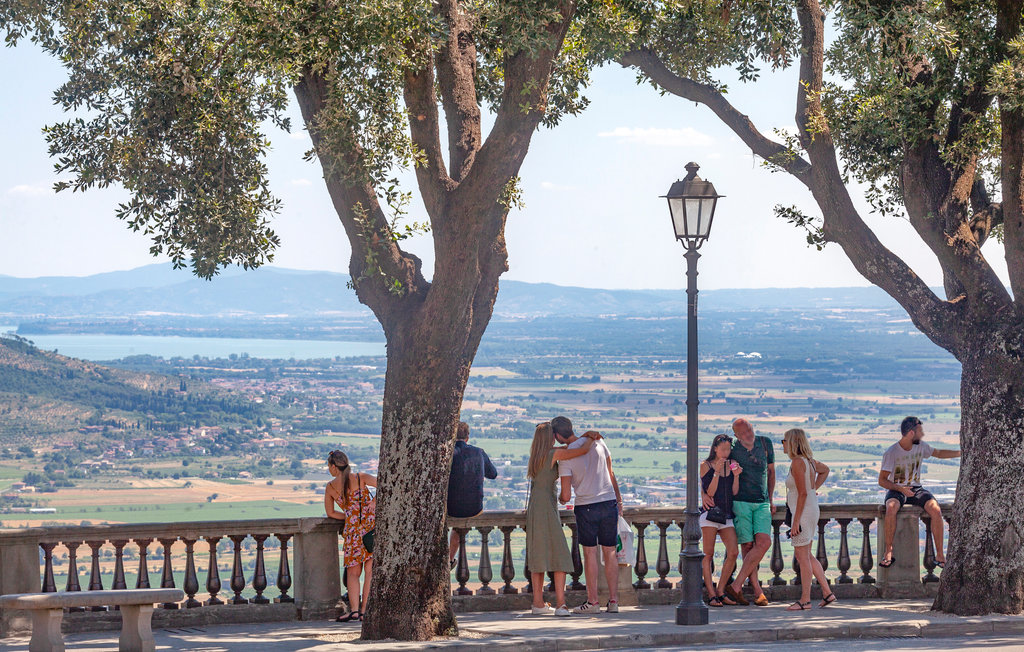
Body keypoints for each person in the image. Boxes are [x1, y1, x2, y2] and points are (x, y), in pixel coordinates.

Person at [525, 422, 599, 616]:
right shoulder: (552, 455)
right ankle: (561, 604)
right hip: (546, 507)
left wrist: (583, 434)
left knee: (538, 554)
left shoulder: (537, 455)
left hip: (535, 507)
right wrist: (591, 437)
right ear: (550, 437)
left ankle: (538, 603)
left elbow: (567, 447)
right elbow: (581, 450)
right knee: (560, 554)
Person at [554, 416, 623, 615]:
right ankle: (613, 601)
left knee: (590, 553)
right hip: (609, 502)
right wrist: (618, 501)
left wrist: (560, 497)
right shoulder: (598, 442)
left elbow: (566, 495)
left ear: (558, 436)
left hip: (586, 506)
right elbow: (611, 473)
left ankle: (593, 602)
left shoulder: (566, 457)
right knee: (610, 552)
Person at [878, 416, 960, 569]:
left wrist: (961, 453)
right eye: (920, 431)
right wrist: (901, 489)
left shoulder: (921, 446)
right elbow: (882, 480)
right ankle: (888, 551)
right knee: (891, 508)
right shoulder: (892, 452)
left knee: (935, 509)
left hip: (916, 489)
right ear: (910, 433)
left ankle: (940, 555)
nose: (922, 434)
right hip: (897, 489)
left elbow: (939, 453)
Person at [719, 418, 775, 607]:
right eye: (743, 433)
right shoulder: (732, 447)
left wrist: (772, 498)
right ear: (736, 435)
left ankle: (736, 585)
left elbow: (771, 472)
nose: (748, 435)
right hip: (740, 501)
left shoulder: (765, 443)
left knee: (764, 542)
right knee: (747, 546)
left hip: (762, 502)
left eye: (749, 430)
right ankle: (756, 589)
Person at [782, 428, 836, 611]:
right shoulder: (809, 461)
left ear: (792, 443)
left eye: (784, 440)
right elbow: (825, 471)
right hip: (810, 509)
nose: (782, 443)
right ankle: (827, 593)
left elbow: (803, 493)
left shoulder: (798, 462)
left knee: (802, 557)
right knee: (806, 555)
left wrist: (795, 522)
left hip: (803, 511)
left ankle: (805, 600)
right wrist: (814, 488)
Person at [324, 450, 377, 622]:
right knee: (370, 571)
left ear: (334, 466)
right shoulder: (361, 478)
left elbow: (331, 512)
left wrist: (349, 516)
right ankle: (365, 610)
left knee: (353, 573)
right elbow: (387, 486)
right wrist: (373, 502)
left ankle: (354, 611)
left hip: (353, 531)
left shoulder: (331, 487)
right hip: (370, 528)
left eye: (329, 466)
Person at [447, 421, 499, 567]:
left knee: (456, 518)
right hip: (474, 507)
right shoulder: (479, 452)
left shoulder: (448, 454)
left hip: (451, 508)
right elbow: (493, 474)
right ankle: (450, 559)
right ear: (467, 437)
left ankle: (449, 559)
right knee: (460, 526)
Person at [699, 434, 741, 607]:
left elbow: (734, 492)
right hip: (710, 514)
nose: (726, 452)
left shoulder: (731, 465)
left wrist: (736, 475)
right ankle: (711, 593)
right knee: (707, 554)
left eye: (728, 449)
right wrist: (716, 471)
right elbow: (709, 492)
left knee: (733, 552)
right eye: (722, 449)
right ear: (715, 448)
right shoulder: (705, 465)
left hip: (726, 515)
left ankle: (721, 590)